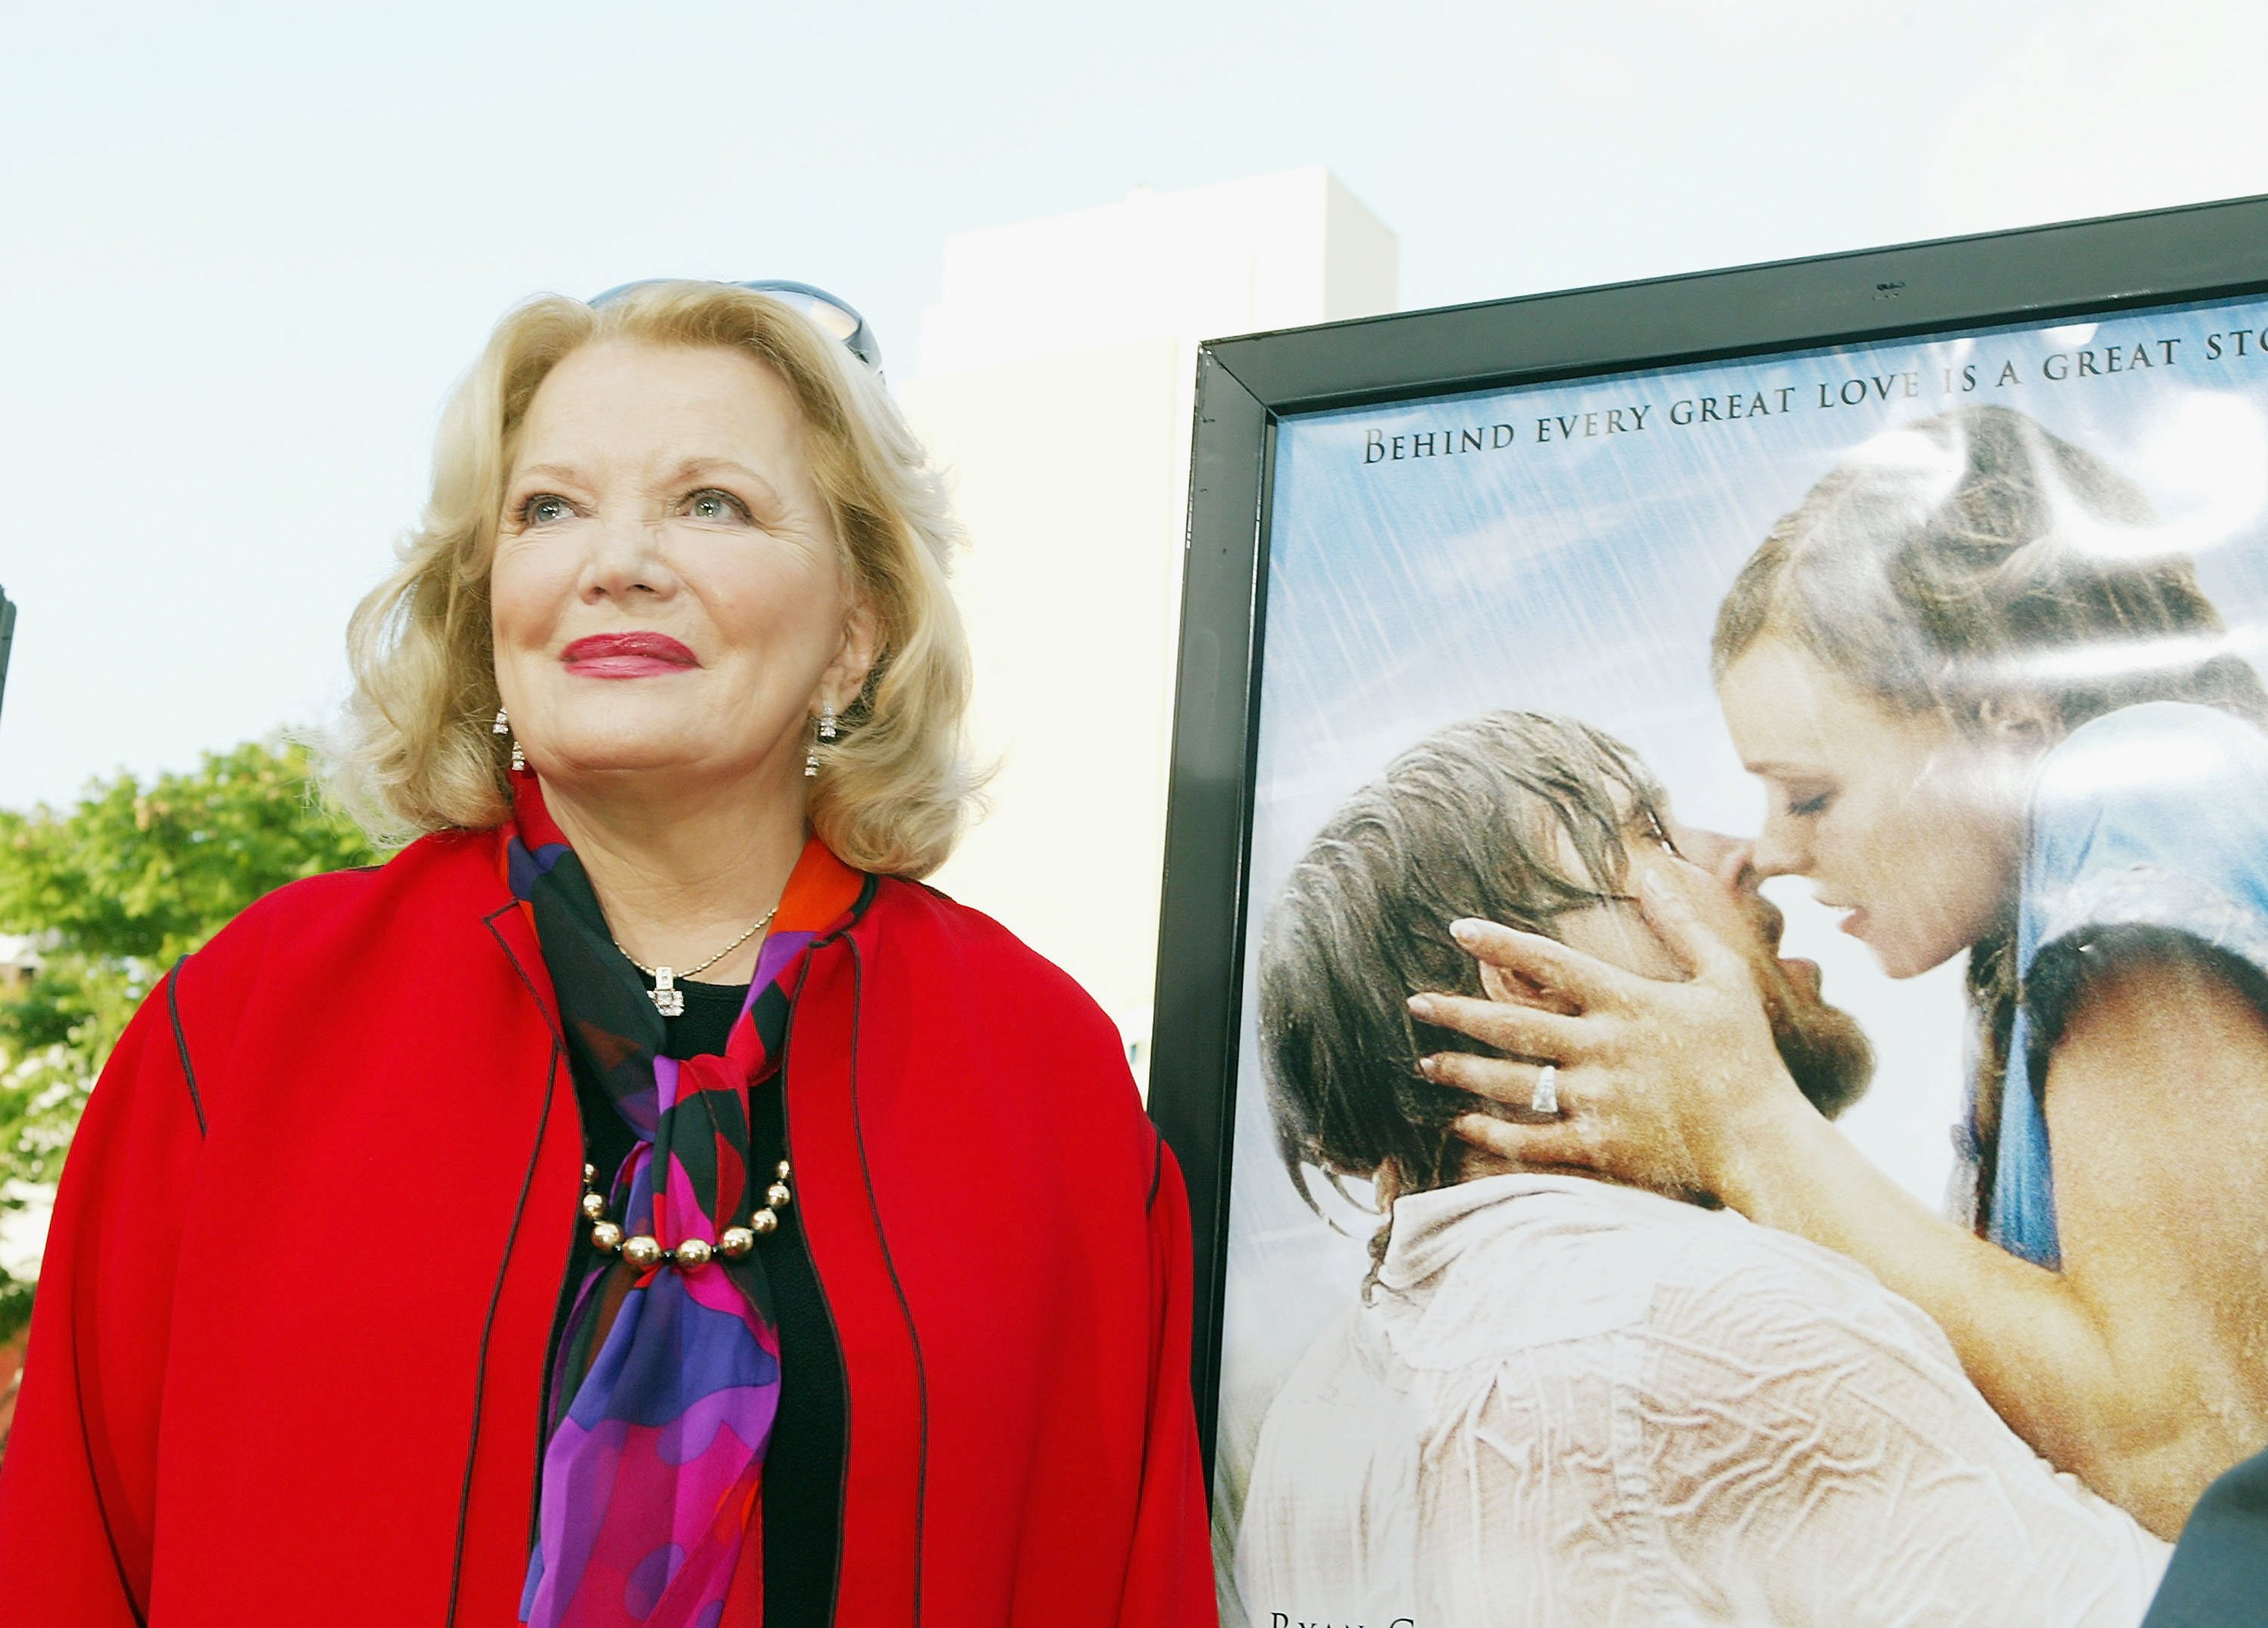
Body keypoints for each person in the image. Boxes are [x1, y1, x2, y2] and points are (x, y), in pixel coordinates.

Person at [0, 280, 1213, 1627]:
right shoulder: (247, 1021)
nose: (615, 559)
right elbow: (64, 1553)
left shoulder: (1042, 1072)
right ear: (488, 602)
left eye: (712, 503)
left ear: (856, 627)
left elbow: (1131, 1573)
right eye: (549, 508)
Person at [1426, 405, 2268, 1546]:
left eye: (1810, 794)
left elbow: (2194, 1452)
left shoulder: (2139, 787)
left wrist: (1747, 1125)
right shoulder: (2025, 951)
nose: (1771, 849)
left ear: (2008, 712)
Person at [1236, 710, 2167, 1628]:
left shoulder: (1303, 1438)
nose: (1744, 854)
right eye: (1647, 834)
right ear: (1530, 983)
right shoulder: (1713, 1319)